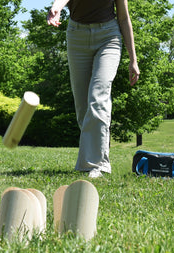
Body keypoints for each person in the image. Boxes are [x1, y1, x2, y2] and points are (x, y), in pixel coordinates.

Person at [47, 0, 140, 178]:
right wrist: (56, 8)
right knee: (83, 108)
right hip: (77, 36)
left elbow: (123, 17)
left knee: (98, 97)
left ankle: (98, 165)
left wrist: (133, 60)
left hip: (109, 37)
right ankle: (88, 163)